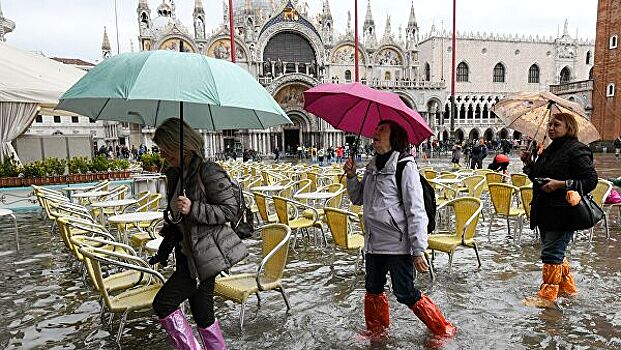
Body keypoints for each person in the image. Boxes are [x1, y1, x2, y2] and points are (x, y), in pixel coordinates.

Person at [343, 120, 456, 343]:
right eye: (376, 129)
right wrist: (351, 176)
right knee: (373, 288)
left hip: (398, 242)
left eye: (381, 130)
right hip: (374, 241)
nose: (375, 132)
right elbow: (358, 198)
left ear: (394, 138)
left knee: (405, 292)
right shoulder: (372, 165)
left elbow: (416, 210)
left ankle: (442, 329)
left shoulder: (405, 166)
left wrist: (418, 249)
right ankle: (377, 331)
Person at [149, 118, 248, 348]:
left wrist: (194, 208)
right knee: (202, 313)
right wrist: (164, 251)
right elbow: (177, 223)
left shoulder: (208, 171)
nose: (162, 154)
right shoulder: (175, 174)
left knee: (163, 304)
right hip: (187, 254)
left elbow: (229, 210)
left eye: (165, 148)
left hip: (204, 255)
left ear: (180, 145)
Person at [520, 113, 597, 308]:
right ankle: (567, 290)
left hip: (563, 213)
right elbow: (538, 179)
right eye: (549, 124)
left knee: (551, 254)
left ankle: (548, 298)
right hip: (545, 211)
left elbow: (590, 181)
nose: (551, 128)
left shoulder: (577, 150)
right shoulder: (550, 150)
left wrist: (560, 184)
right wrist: (529, 163)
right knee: (556, 252)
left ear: (569, 127)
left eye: (556, 124)